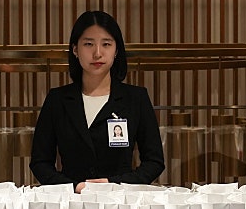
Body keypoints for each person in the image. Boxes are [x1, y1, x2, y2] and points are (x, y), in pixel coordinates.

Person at [30, 10, 164, 191]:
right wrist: (74, 187)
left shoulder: (136, 98)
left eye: (106, 44)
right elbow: (40, 162)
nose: (97, 53)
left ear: (116, 50)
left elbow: (154, 161)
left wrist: (114, 185)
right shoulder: (57, 100)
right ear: (75, 49)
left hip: (120, 200)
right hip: (72, 200)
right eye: (88, 44)